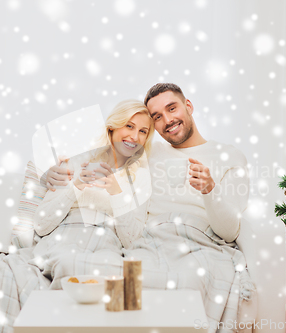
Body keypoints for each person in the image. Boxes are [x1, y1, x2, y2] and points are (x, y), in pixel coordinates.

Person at [46, 84, 256, 332]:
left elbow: (230, 232)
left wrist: (210, 190)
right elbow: (104, 152)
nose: (167, 120)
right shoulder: (148, 151)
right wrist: (57, 172)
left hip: (201, 240)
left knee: (193, 277)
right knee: (122, 279)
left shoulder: (229, 156)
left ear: (188, 106)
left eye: (172, 108)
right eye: (157, 116)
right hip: (150, 240)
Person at [0, 99, 154, 333]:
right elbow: (41, 224)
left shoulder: (141, 177)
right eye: (129, 126)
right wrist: (75, 186)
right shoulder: (79, 161)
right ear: (112, 127)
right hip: (64, 237)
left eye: (143, 131)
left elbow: (132, 239)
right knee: (20, 273)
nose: (134, 136)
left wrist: (116, 191)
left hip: (106, 243)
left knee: (98, 268)